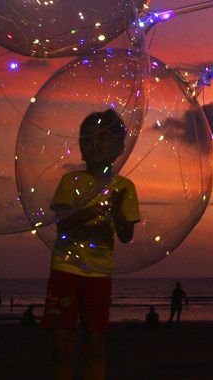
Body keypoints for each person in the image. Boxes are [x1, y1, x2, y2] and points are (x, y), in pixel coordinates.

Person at [43, 109, 141, 380]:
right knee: (61, 345)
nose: (94, 143)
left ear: (120, 148)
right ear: (81, 149)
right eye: (87, 138)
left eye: (104, 138)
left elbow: (125, 235)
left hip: (99, 273)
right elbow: (63, 223)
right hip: (65, 268)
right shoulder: (70, 181)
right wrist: (95, 210)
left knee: (94, 345)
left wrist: (117, 211)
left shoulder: (125, 188)